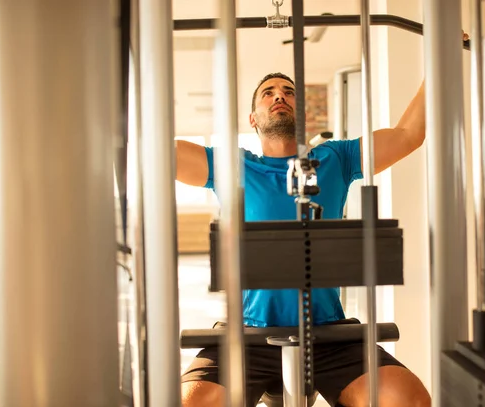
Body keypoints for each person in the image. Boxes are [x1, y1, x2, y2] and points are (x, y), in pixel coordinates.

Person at [177, 72, 430, 407]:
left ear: (303, 113)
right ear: (253, 119)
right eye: (268, 93)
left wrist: (438, 60)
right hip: (246, 335)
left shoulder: (335, 159)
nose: (279, 96)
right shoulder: (232, 166)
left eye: (288, 92)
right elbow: (160, 154)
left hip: (328, 335)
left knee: (406, 399)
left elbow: (408, 134)